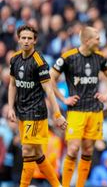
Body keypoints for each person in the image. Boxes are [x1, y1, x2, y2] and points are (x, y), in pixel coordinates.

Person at [50, 26, 107, 187]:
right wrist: (63, 99)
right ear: (87, 41)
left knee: (87, 151)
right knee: (73, 149)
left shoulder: (100, 58)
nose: (100, 41)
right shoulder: (68, 57)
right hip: (76, 110)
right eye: (97, 38)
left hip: (94, 110)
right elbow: (50, 78)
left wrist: (106, 94)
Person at [7, 24, 67, 187]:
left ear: (35, 41)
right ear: (18, 39)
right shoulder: (14, 59)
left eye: (29, 38)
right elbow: (12, 85)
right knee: (38, 154)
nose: (26, 41)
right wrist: (11, 107)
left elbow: (49, 90)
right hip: (21, 112)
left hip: (36, 112)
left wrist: (57, 114)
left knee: (26, 151)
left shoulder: (39, 62)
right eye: (23, 38)